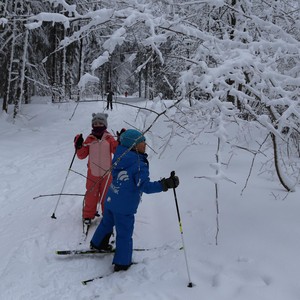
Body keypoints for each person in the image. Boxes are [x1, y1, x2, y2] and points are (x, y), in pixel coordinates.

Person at [90, 129, 179, 272]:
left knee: (106, 222)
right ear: (134, 146)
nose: (145, 144)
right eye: (142, 142)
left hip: (112, 198)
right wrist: (165, 184)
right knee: (124, 233)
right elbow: (146, 186)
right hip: (125, 207)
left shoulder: (119, 155)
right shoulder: (138, 164)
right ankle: (122, 262)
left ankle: (97, 243)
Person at [74, 113, 120, 225]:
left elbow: (116, 151)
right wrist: (78, 145)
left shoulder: (109, 138)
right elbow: (81, 155)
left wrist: (120, 140)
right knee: (91, 194)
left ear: (105, 124)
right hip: (92, 173)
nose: (97, 125)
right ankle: (88, 215)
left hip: (107, 173)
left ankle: (108, 215)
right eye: (95, 123)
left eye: (100, 123)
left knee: (107, 195)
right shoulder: (90, 139)